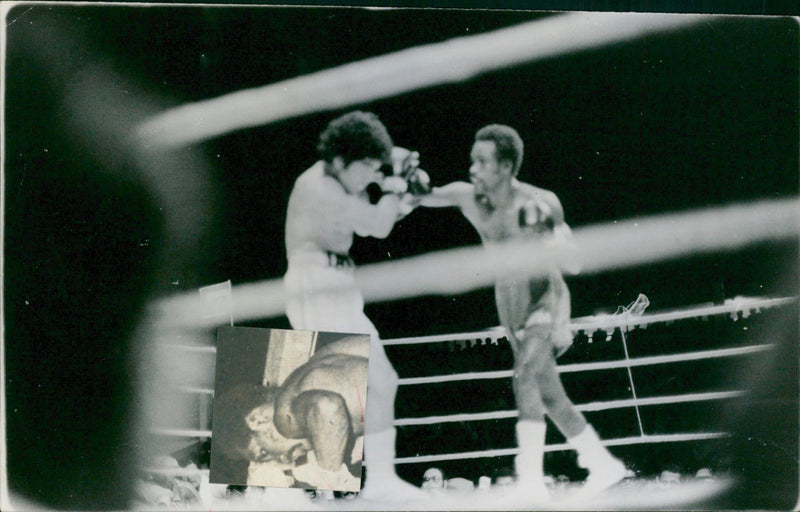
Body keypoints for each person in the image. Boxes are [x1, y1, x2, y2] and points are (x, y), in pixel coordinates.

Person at [416, 124, 625, 501]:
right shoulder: (468, 197)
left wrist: (551, 236)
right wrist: (409, 181)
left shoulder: (539, 201)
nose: (473, 169)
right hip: (508, 302)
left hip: (545, 298)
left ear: (507, 166)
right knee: (549, 394)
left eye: (482, 162)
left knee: (525, 375)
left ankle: (530, 479)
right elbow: (425, 196)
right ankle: (602, 463)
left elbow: (574, 264)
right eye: (472, 160)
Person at [282, 111, 427, 500]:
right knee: (363, 383)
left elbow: (369, 222)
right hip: (317, 282)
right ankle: (299, 489)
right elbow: (377, 225)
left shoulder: (341, 181)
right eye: (364, 167)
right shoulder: (319, 188)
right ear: (342, 160)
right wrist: (397, 186)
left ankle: (368, 483)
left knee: (366, 384)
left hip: (337, 283)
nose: (368, 176)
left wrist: (401, 193)